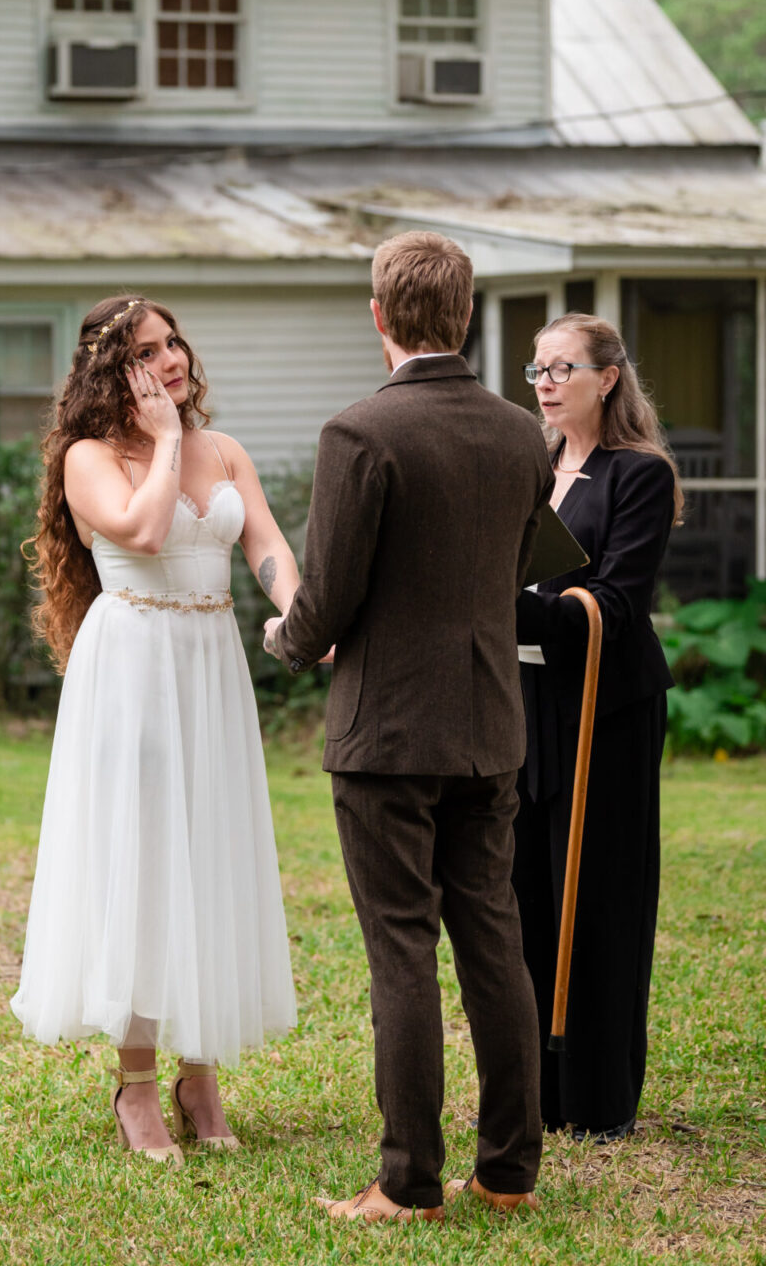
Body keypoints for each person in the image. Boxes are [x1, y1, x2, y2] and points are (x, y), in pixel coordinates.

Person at [264, 231, 554, 1223]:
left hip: (387, 735)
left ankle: (408, 1183)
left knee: (400, 949)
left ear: (378, 316)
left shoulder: (359, 434)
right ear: (464, 316)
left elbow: (327, 602)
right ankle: (510, 1172)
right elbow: (510, 569)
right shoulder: (523, 434)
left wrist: (282, 635)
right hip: (489, 726)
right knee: (492, 940)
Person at [11, 296, 298, 1164]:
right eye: (145, 352)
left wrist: (305, 616)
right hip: (133, 665)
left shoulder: (230, 452)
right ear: (113, 371)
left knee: (208, 853)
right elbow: (138, 526)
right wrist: (167, 441)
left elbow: (269, 551)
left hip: (211, 665)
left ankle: (199, 1073)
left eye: (172, 342)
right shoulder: (90, 458)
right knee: (141, 862)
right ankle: (137, 1084)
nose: (169, 359)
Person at [513, 313, 683, 1143]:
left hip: (603, 711)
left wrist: (517, 607)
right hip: (527, 706)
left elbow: (618, 599)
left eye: (562, 368)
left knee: (600, 896)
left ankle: (599, 1094)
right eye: (536, 369)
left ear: (606, 377)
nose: (544, 383)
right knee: (527, 893)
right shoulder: (528, 464)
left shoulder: (638, 475)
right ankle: (539, 1090)